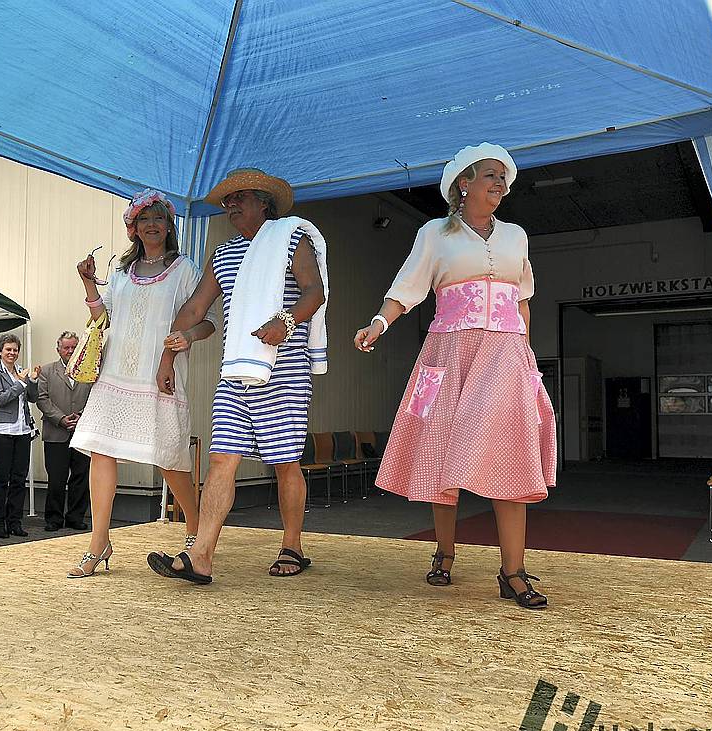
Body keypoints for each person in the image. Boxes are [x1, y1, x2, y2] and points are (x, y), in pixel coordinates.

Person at [353, 142, 556, 609]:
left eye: (504, 177)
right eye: (489, 175)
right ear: (463, 183)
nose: (499, 183)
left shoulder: (517, 236)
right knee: (440, 446)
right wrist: (379, 324)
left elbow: (523, 298)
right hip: (447, 352)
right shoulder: (434, 234)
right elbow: (406, 289)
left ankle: (513, 572)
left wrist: (526, 352)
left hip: (505, 352)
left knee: (512, 451)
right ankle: (444, 552)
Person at [146, 169, 329, 585]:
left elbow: (314, 292)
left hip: (284, 367)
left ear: (265, 203)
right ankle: (202, 556)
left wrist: (285, 320)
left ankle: (293, 546)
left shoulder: (291, 240)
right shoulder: (223, 254)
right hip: (236, 369)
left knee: (285, 462)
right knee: (221, 458)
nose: (230, 205)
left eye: (240, 197)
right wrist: (166, 358)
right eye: (227, 200)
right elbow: (194, 310)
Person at [68, 189, 213, 578]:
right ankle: (99, 541)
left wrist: (189, 338)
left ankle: (197, 532)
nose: (152, 225)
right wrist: (87, 284)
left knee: (169, 459)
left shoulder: (186, 270)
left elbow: (206, 320)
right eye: (144, 219)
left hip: (159, 377)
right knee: (100, 449)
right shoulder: (120, 272)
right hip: (114, 376)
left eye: (159, 218)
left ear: (169, 226)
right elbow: (103, 317)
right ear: (133, 228)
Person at [35, 331, 92, 534]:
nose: (70, 351)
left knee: (81, 478)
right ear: (58, 349)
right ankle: (54, 518)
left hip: (82, 433)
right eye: (66, 347)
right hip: (55, 433)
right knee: (56, 479)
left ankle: (76, 517)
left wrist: (81, 416)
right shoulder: (47, 371)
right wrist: (61, 419)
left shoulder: (89, 371)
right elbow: (42, 399)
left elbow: (95, 398)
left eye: (73, 347)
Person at [0, 334, 40, 539]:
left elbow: (33, 398)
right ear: (0, 351)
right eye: (8, 349)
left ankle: (15, 522)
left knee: (19, 479)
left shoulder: (21, 371)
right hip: (2, 431)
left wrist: (32, 381)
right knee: (1, 479)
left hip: (22, 430)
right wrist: (21, 383)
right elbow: (0, 399)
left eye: (15, 350)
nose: (12, 353)